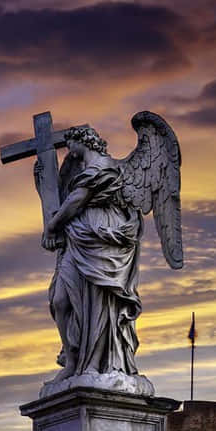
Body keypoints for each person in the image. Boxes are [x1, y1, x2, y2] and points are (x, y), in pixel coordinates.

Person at [40, 127, 142, 379]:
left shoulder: (104, 166)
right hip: (79, 238)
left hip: (102, 238)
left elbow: (76, 200)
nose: (68, 150)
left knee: (99, 303)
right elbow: (63, 198)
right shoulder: (82, 169)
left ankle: (97, 361)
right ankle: (73, 360)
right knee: (60, 301)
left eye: (70, 144)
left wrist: (52, 227)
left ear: (82, 141)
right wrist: (41, 178)